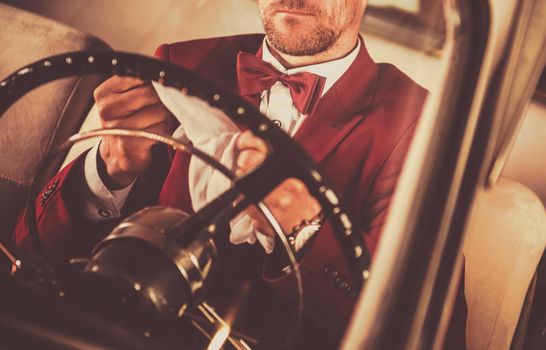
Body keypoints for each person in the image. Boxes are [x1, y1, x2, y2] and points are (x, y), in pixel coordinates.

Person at [12, 0, 466, 348]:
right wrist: (110, 172)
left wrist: (308, 228)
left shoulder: (423, 124)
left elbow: (426, 333)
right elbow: (28, 252)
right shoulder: (179, 62)